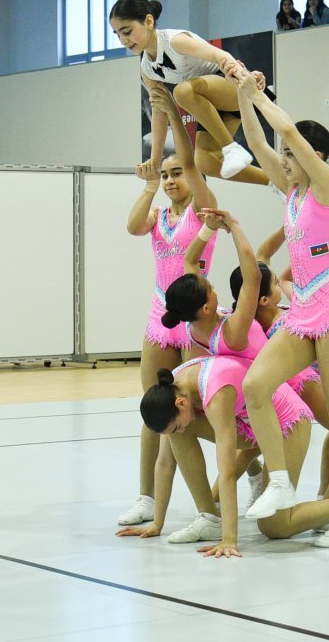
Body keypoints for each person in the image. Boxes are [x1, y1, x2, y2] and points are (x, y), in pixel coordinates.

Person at [234, 74, 329, 547]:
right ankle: (279, 480)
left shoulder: (327, 189)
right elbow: (256, 139)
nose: (284, 162)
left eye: (291, 157)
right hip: (303, 308)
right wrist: (241, 96)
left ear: (311, 158)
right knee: (256, 384)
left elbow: (289, 133)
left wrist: (261, 96)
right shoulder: (291, 193)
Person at [116, 92, 218, 528]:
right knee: (154, 406)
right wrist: (149, 184)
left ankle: (248, 466)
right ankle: (146, 496)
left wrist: (173, 115)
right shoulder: (158, 215)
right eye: (168, 173)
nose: (174, 179)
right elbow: (132, 226)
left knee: (201, 408)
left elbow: (193, 167)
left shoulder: (202, 210)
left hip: (194, 322)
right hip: (161, 320)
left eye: (178, 173)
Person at [128, 361, 327, 555]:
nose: (180, 431)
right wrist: (157, 523)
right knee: (178, 435)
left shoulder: (216, 396)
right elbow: (164, 464)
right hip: (253, 422)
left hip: (287, 423)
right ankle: (209, 518)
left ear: (181, 403)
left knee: (275, 526)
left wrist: (228, 540)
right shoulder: (174, 386)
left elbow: (227, 472)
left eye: (177, 425)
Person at [110, 0, 265, 184]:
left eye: (126, 31)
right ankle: (276, 182)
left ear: (148, 21)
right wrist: (154, 160)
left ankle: (231, 147)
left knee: (181, 92)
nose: (123, 40)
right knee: (205, 162)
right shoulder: (147, 69)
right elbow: (159, 113)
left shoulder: (175, 41)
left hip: (232, 88)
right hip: (210, 105)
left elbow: (220, 55)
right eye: (117, 35)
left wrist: (245, 77)